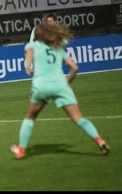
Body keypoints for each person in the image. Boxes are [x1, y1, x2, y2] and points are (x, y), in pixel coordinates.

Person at [11, 22, 109, 159]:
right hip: (60, 85)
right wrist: (68, 83)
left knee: (30, 117)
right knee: (79, 118)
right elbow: (75, 68)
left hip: (41, 86)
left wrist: (27, 66)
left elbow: (29, 55)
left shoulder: (32, 46)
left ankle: (21, 150)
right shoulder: (58, 49)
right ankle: (99, 140)